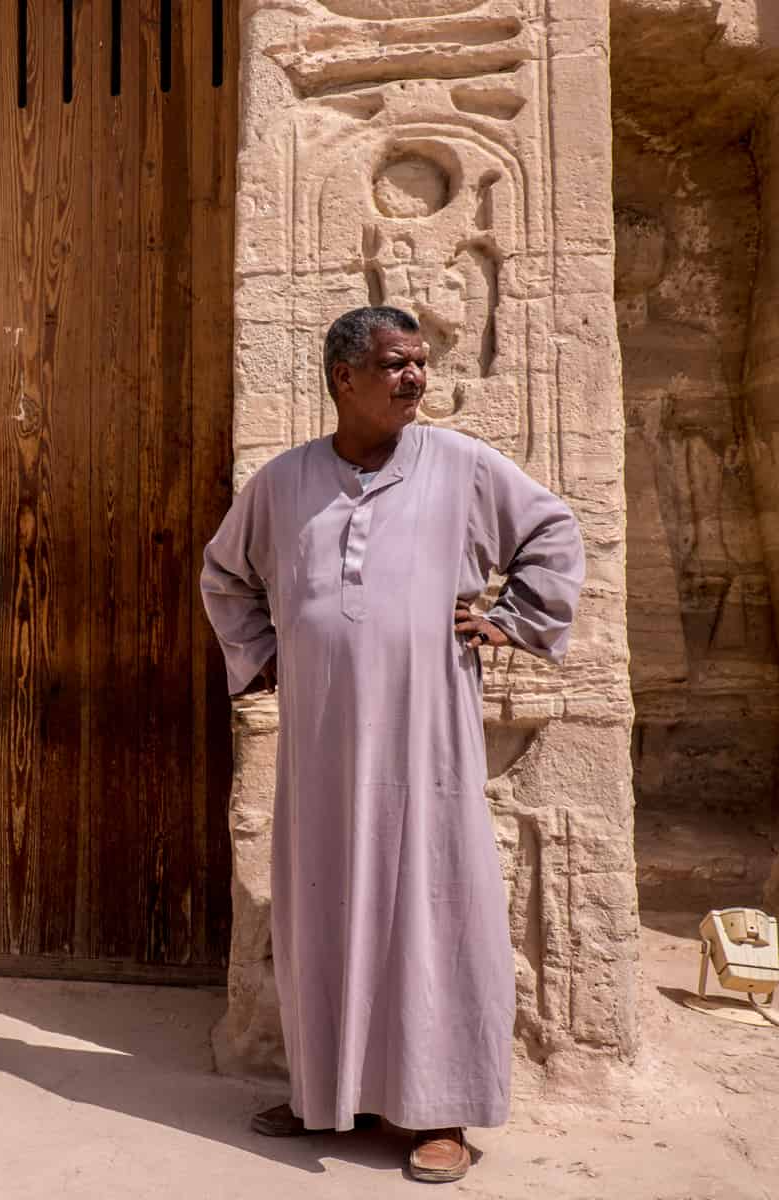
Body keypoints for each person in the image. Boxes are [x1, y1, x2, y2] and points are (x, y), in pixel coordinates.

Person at [199, 306, 585, 1183]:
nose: (415, 377)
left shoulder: (460, 467)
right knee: (324, 901)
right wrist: (257, 656)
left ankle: (439, 1112)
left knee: (432, 901)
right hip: (323, 741)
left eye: (419, 363)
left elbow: (553, 533)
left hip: (427, 738)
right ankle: (331, 1096)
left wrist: (508, 619)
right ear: (344, 378)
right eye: (395, 364)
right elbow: (225, 574)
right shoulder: (284, 481)